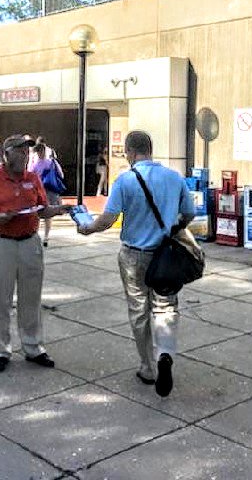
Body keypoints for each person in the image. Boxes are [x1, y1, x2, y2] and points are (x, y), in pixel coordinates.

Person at [78, 130, 195, 397]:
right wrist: (172, 229)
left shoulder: (125, 180)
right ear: (150, 149)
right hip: (166, 255)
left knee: (139, 310)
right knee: (165, 308)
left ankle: (148, 367)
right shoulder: (174, 178)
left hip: (135, 255)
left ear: (130, 152)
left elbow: (107, 219)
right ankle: (165, 353)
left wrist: (88, 229)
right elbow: (189, 213)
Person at [0, 135, 71, 372]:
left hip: (29, 244)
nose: (25, 155)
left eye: (27, 151)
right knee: (0, 300)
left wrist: (61, 209)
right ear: (7, 154)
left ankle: (33, 347)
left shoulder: (33, 178)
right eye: (20, 151)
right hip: (1, 243)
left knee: (31, 299)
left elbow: (42, 210)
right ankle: (0, 350)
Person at [31, 142, 64, 247]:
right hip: (50, 191)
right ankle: (46, 236)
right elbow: (61, 175)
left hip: (39, 191)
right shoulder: (52, 162)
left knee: (36, 214)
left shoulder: (34, 165)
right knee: (48, 215)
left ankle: (35, 234)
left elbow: (30, 177)